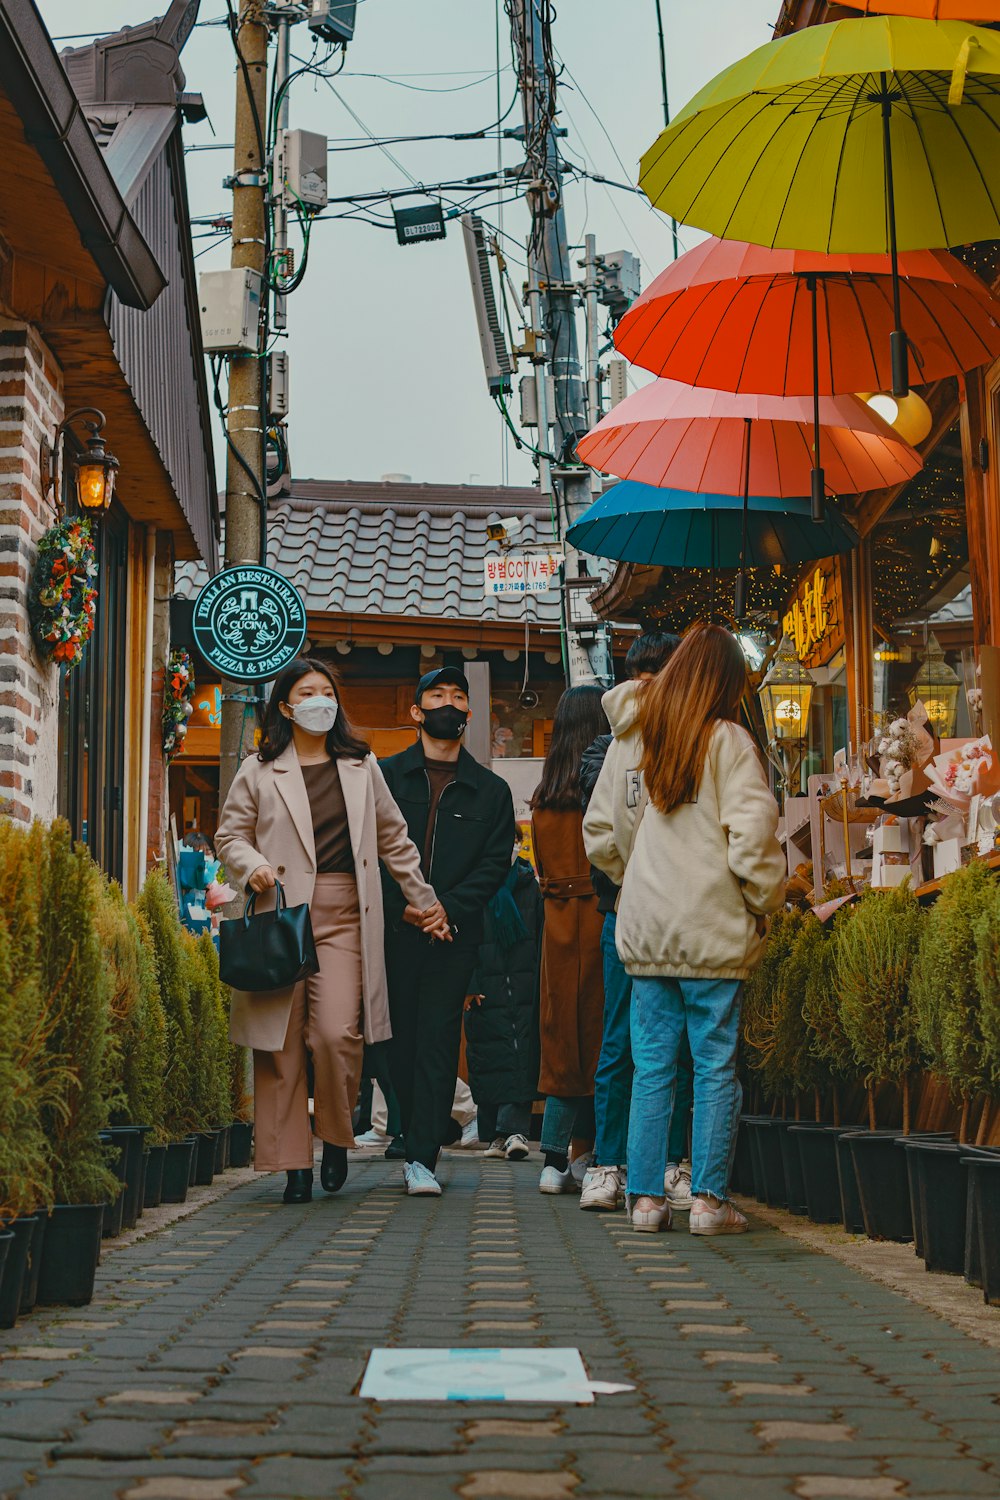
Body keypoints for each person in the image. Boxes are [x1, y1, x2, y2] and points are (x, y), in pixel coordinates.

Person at [215, 657, 448, 1205]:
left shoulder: (361, 765)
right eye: (307, 692)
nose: (320, 700)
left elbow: (394, 839)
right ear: (286, 706)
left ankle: (336, 1136)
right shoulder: (259, 767)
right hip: (280, 913)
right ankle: (292, 1163)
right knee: (282, 1043)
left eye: (327, 692)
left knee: (336, 1035)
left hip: (347, 914)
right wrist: (253, 867)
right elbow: (229, 837)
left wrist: (426, 902)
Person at [584, 624, 785, 1235]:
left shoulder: (632, 740)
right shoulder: (730, 741)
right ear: (725, 681)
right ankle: (707, 1202)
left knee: (652, 1068)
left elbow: (601, 833)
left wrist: (639, 879)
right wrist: (761, 902)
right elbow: (752, 842)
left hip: (646, 929)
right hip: (711, 928)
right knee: (715, 1065)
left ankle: (645, 1202)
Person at [379, 666, 516, 1196]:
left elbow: (494, 864)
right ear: (415, 711)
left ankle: (422, 1156)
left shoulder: (491, 790)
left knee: (436, 1039)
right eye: (436, 695)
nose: (449, 704)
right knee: (393, 1043)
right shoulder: (384, 777)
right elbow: (365, 853)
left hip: (452, 935)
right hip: (392, 931)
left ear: (470, 713)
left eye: (458, 697)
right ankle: (414, 1128)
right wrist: (408, 908)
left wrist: (442, 910)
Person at [577, 630, 696, 1215]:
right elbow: (597, 832)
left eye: (664, 669)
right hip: (623, 912)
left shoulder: (701, 740)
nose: (651, 682)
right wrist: (635, 883)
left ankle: (673, 1163)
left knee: (678, 1047)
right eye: (642, 671)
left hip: (686, 913)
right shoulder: (607, 748)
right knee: (621, 1040)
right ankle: (608, 1162)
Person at [531, 685, 609, 1195]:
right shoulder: (600, 787)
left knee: (561, 1041)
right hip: (602, 914)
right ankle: (593, 1155)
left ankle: (555, 1157)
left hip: (557, 922)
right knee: (605, 1038)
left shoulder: (544, 796)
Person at [464, 845, 544, 1161]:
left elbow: (539, 933)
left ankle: (514, 1131)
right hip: (486, 983)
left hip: (524, 982)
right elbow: (464, 936)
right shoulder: (473, 883)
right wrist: (468, 984)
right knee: (489, 1053)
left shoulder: (527, 884)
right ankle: (495, 1134)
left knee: (521, 1052)